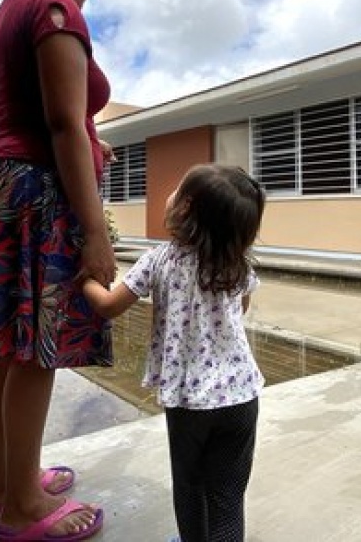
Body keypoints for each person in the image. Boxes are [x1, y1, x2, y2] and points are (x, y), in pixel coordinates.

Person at [0, 0, 115, 542]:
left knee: (9, 343)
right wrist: (95, 231)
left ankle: (8, 483)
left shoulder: (6, 11)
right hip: (38, 192)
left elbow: (45, 115)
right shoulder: (56, 10)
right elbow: (61, 125)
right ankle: (24, 509)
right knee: (35, 349)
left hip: (4, 184)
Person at [82, 164, 266, 542]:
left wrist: (85, 280)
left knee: (190, 485)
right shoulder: (238, 264)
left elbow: (109, 306)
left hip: (189, 401)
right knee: (228, 497)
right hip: (241, 397)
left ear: (185, 209)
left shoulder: (159, 260)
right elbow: (240, 309)